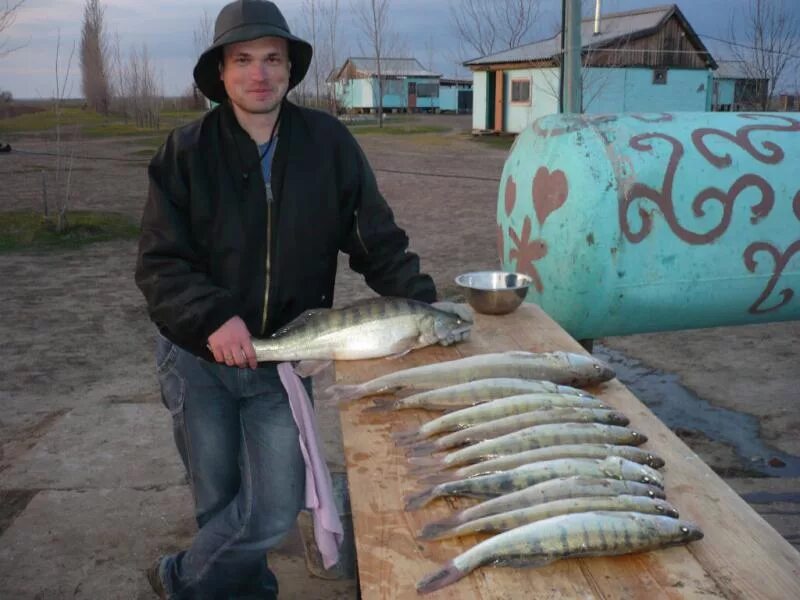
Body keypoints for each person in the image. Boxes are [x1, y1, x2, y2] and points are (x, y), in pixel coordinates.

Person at [134, 1, 437, 597]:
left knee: (271, 510)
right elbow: (159, 263)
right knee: (217, 502)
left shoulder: (328, 143)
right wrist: (214, 316)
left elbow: (378, 242)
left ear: (290, 69)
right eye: (242, 59)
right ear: (220, 72)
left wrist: (427, 307)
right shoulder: (187, 151)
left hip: (281, 361)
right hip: (199, 361)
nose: (259, 73)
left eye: (272, 58)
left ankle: (181, 578)